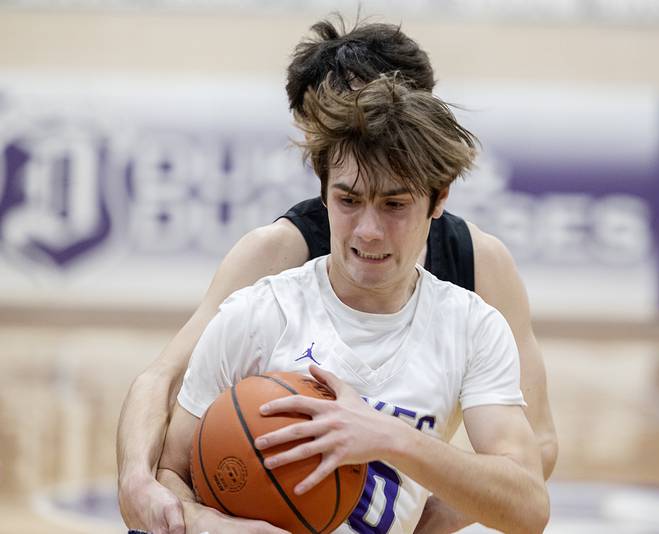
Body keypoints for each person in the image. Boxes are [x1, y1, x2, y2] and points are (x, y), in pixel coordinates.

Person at [117, 17, 557, 534]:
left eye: (394, 200)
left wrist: (414, 514)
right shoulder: (273, 266)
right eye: (348, 196)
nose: (368, 228)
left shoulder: (476, 271)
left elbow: (537, 449)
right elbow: (164, 382)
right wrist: (141, 485)